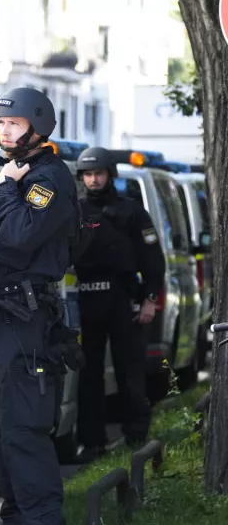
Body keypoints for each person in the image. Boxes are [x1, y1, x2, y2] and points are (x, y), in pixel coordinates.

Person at [0, 88, 79, 525]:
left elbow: (14, 239)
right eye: (0, 123)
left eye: (13, 123)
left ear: (37, 126)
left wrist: (7, 188)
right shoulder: (5, 175)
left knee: (25, 429)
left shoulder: (47, 177)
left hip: (25, 319)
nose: (4, 130)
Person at [72, 146, 165, 462]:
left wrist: (150, 299)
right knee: (89, 374)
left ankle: (136, 437)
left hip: (123, 299)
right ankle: (92, 442)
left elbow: (153, 259)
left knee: (130, 370)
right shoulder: (75, 211)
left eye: (98, 173)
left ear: (110, 175)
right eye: (88, 174)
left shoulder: (131, 211)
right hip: (86, 298)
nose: (93, 180)